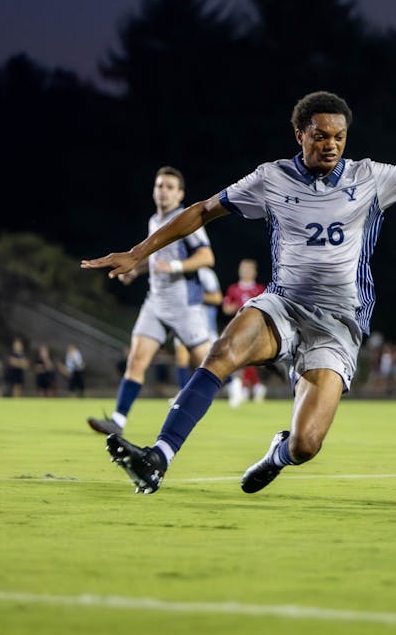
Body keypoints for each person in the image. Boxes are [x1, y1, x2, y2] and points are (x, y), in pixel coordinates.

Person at [81, 90, 396, 494]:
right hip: (282, 305)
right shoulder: (271, 178)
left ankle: (277, 455)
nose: (331, 144)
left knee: (307, 444)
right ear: (299, 134)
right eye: (320, 135)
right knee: (223, 351)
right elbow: (201, 210)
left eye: (339, 136)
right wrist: (137, 252)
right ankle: (158, 456)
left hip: (338, 323)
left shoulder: (370, 177)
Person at [86, 166, 217, 436]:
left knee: (213, 366)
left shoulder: (185, 220)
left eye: (170, 187)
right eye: (159, 186)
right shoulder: (154, 221)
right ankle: (118, 421)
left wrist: (176, 266)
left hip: (185, 307)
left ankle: (248, 373)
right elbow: (156, 260)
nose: (163, 191)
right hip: (156, 303)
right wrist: (136, 269)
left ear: (180, 194)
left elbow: (207, 258)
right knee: (136, 358)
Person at [221, 258, 267, 406]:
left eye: (249, 269)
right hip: (238, 329)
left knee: (247, 358)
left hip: (256, 329)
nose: (246, 271)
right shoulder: (233, 289)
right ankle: (253, 386)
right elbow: (226, 308)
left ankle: (248, 386)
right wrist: (234, 306)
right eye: (244, 268)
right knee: (242, 359)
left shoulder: (260, 289)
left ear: (254, 272)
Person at [173, 265, 222, 391]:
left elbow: (217, 298)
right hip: (183, 322)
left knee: (210, 362)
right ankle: (183, 393)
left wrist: (194, 295)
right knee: (181, 355)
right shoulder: (176, 272)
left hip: (203, 323)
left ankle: (232, 383)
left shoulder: (205, 274)